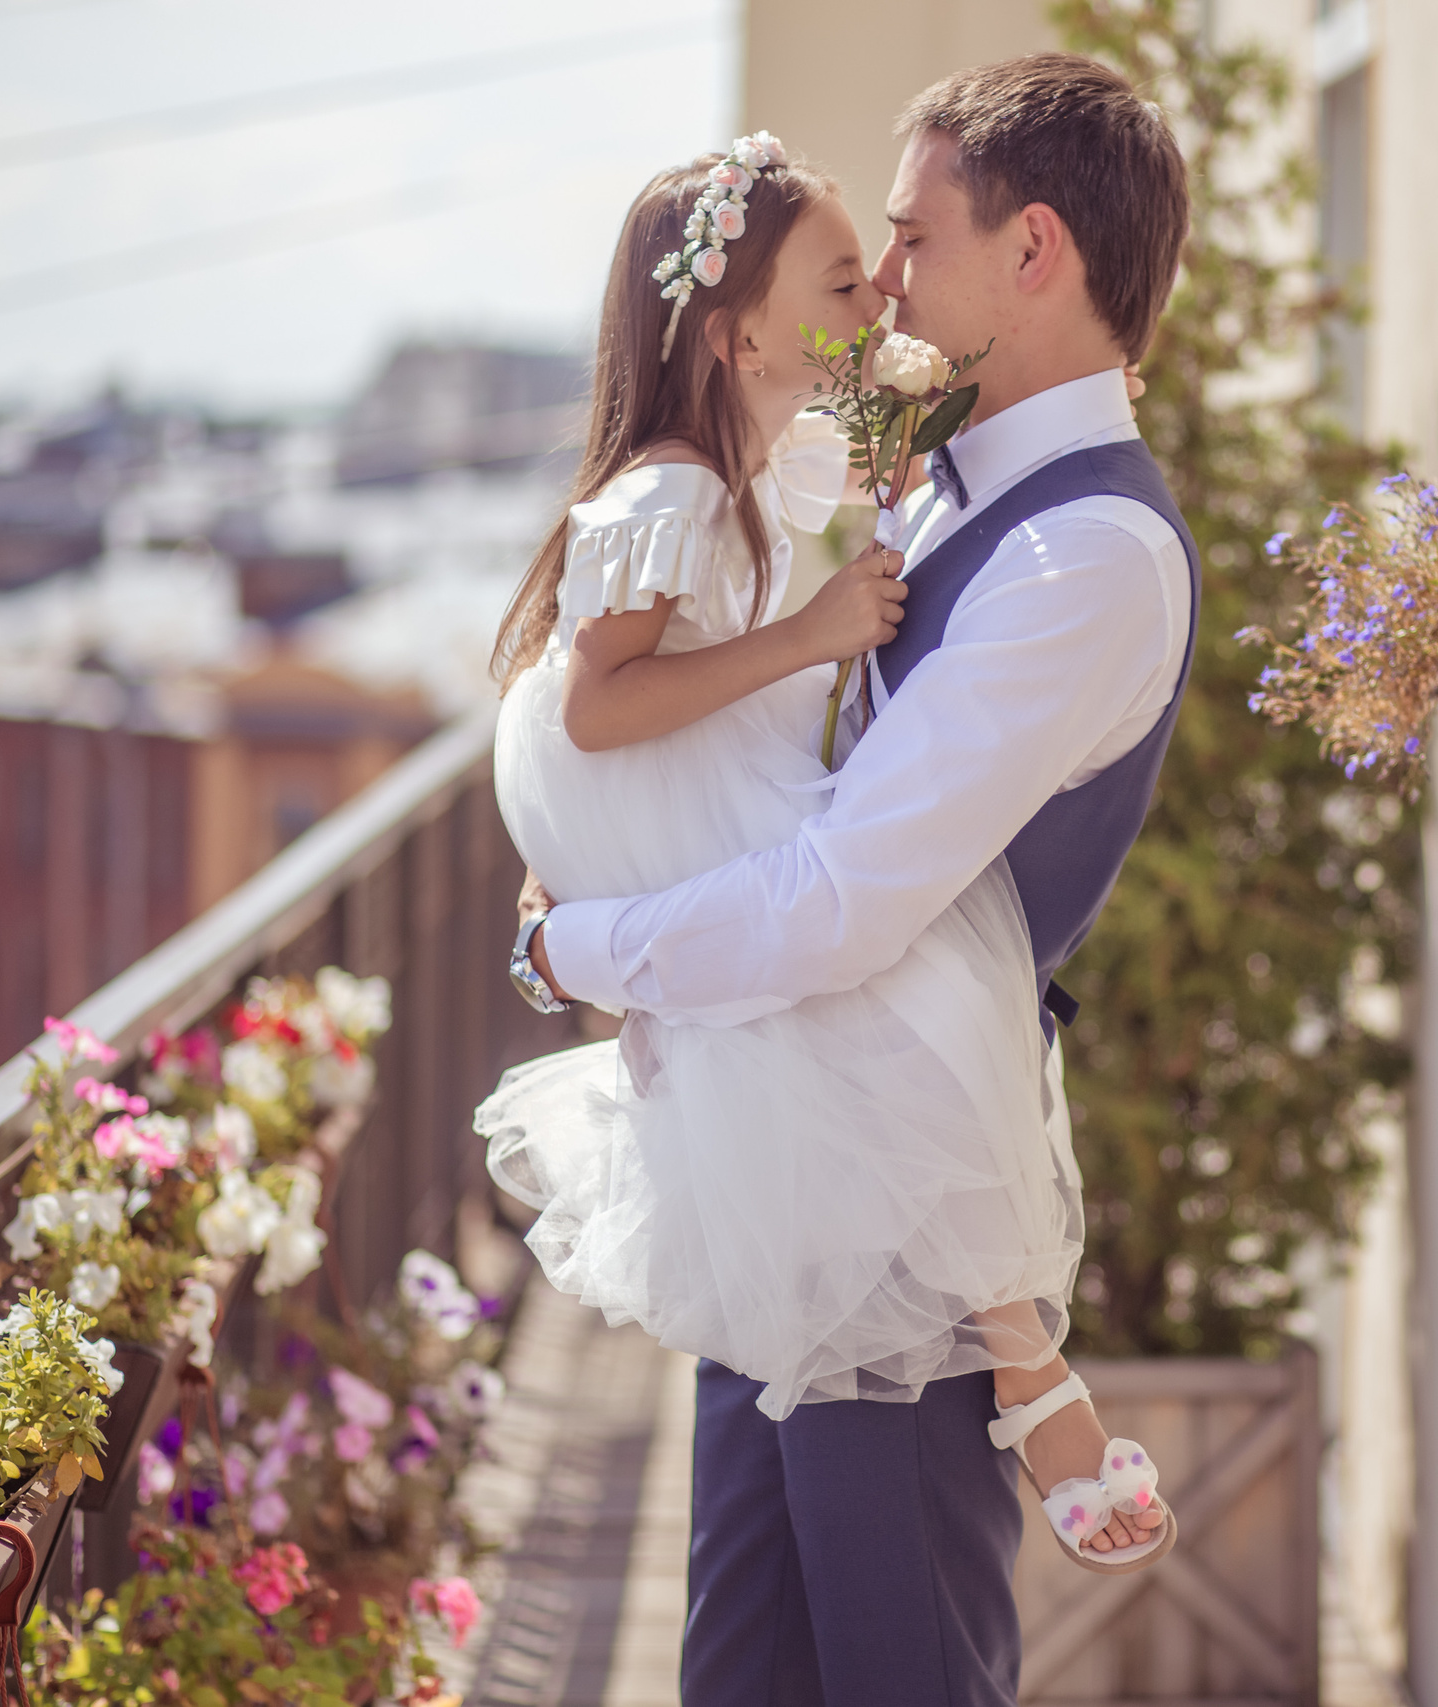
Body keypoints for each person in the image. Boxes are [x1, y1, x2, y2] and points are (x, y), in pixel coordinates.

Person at [500, 54, 1198, 1706]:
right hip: (788, 1179)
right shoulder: (953, 476)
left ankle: (1035, 1384)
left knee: (895, 1671)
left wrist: (573, 953)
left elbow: (837, 902)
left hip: (892, 1196)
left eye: (907, 235)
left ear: (1032, 253)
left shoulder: (1078, 553)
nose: (879, 278)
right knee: (745, 1672)